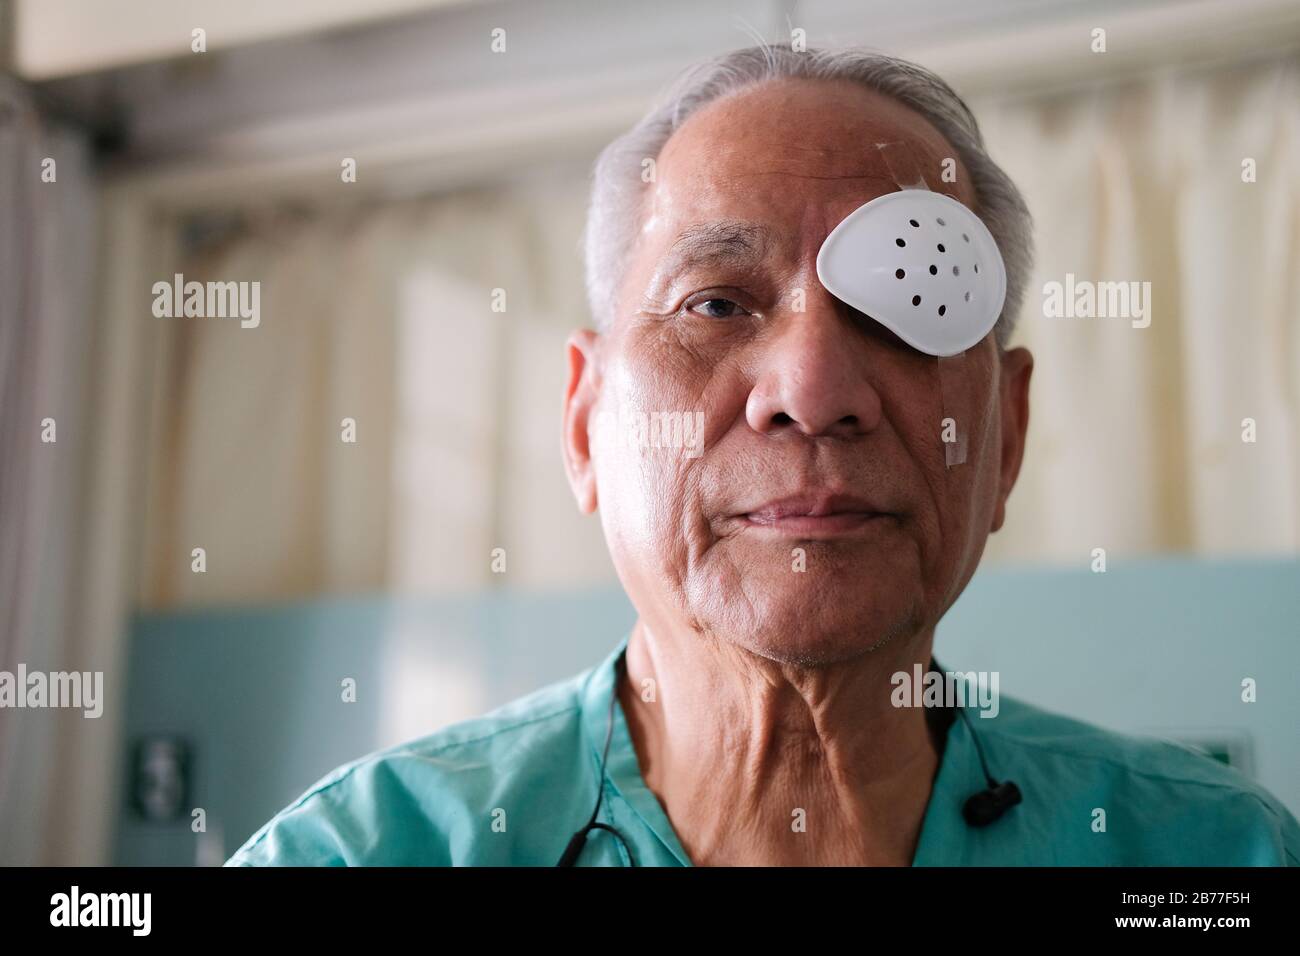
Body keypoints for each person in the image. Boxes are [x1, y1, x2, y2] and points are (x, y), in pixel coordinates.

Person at [227, 45, 1300, 867]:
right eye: (716, 303)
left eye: (908, 306)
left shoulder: (1208, 857)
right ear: (584, 425)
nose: (814, 390)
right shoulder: (359, 857)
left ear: (1005, 435)